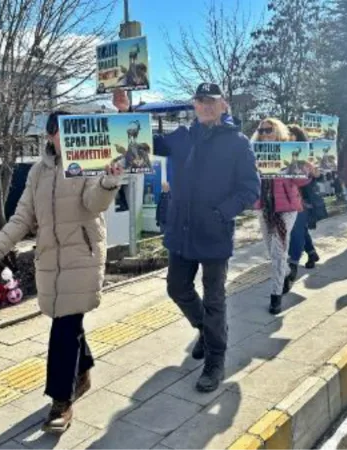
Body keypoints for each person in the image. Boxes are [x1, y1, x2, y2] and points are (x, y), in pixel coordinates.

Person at [0, 111, 124, 434]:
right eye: (57, 130)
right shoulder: (37, 173)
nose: (63, 135)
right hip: (50, 262)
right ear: (49, 135)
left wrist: (108, 181)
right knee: (68, 321)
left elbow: (94, 202)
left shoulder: (87, 162)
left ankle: (61, 400)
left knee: (64, 327)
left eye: (69, 128)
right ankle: (83, 369)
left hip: (82, 259)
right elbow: (21, 219)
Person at [114, 84, 259, 393]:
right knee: (176, 287)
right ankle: (206, 332)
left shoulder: (237, 143)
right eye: (201, 101)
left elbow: (251, 188)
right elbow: (147, 143)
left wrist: (223, 212)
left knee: (215, 298)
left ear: (224, 105)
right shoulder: (182, 136)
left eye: (212, 102)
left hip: (214, 233)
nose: (205, 106)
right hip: (181, 230)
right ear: (195, 105)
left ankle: (215, 361)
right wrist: (126, 112)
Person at [251, 119, 311, 314]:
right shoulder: (254, 152)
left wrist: (307, 170)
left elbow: (299, 182)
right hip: (264, 207)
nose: (265, 133)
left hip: (286, 207)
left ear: (277, 131)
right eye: (261, 130)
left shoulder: (289, 151)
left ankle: (275, 296)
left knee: (278, 251)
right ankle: (285, 273)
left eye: (269, 130)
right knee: (272, 250)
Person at [286, 125, 323, 273]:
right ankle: (312, 253)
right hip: (287, 197)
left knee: (296, 230)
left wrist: (313, 171)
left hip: (304, 198)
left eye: (291, 134)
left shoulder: (308, 153)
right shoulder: (282, 152)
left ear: (298, 136)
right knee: (299, 228)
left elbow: (318, 174)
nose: (288, 136)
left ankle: (293, 262)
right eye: (287, 134)